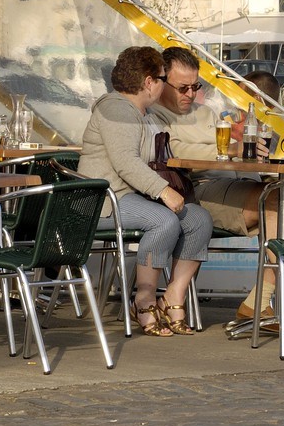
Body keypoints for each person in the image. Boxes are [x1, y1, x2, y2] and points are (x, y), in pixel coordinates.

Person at [152, 47, 284, 322]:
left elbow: (225, 152)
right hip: (192, 192)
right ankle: (278, 296)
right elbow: (177, 153)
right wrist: (234, 151)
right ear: (161, 80)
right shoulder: (155, 114)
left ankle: (272, 297)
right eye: (182, 88)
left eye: (195, 86)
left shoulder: (204, 113)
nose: (190, 94)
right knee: (277, 202)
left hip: (231, 185)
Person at [78, 46, 211, 336]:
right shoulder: (115, 109)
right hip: (102, 200)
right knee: (163, 220)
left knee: (199, 219)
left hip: (130, 197)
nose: (164, 85)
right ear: (149, 82)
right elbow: (126, 162)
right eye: (163, 78)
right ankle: (144, 298)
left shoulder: (143, 113)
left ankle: (173, 295)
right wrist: (164, 191)